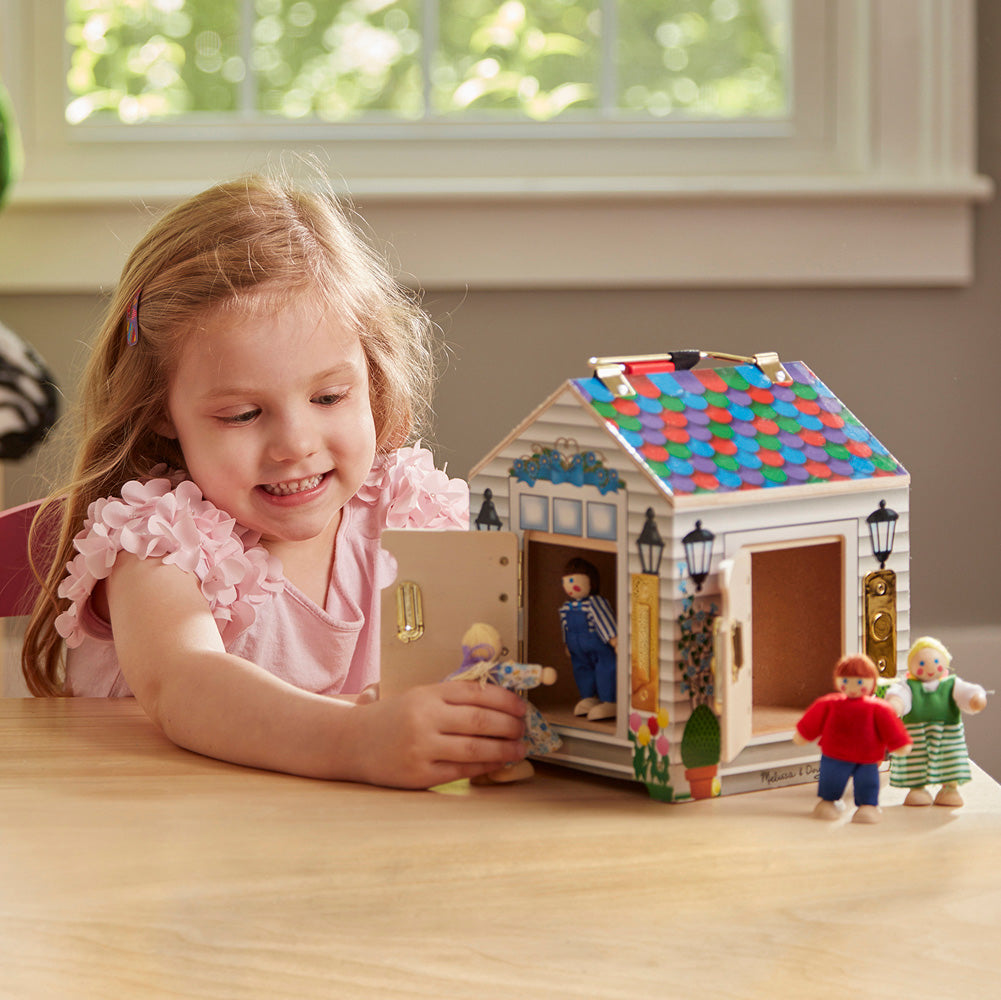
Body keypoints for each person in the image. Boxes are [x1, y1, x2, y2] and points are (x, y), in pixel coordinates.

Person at [20, 170, 527, 789]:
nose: (295, 445)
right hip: (173, 848)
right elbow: (186, 683)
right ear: (161, 409)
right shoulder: (160, 543)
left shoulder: (404, 512)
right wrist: (359, 740)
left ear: (371, 375)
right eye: (243, 414)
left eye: (330, 396)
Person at [793, 654, 912, 823]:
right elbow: (813, 719)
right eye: (846, 681)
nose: (853, 687)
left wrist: (899, 743)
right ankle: (828, 802)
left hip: (867, 756)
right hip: (835, 754)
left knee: (867, 782)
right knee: (831, 780)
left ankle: (868, 806)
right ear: (838, 681)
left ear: (872, 682)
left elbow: (890, 726)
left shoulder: (877, 708)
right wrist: (803, 734)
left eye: (860, 682)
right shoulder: (830, 703)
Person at [448, 622, 561, 783]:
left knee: (483, 743)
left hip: (477, 721)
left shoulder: (461, 675)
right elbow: (518, 673)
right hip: (500, 717)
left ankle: (482, 770)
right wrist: (541, 674)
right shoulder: (497, 671)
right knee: (508, 737)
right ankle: (508, 767)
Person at [885, 637, 988, 807]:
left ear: (944, 663)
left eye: (935, 661)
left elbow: (966, 692)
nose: (929, 668)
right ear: (912, 666)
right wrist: (895, 704)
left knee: (949, 759)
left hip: (947, 734)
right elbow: (899, 696)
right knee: (917, 761)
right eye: (922, 663)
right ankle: (917, 789)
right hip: (917, 735)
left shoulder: (952, 684)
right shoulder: (908, 686)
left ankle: (950, 789)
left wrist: (975, 699)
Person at [558, 556, 617, 721]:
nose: (569, 586)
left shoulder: (595, 603)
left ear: (590, 582)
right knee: (582, 671)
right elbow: (565, 627)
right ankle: (588, 697)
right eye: (566, 582)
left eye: (573, 581)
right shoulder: (567, 607)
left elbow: (604, 621)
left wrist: (613, 639)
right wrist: (567, 645)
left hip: (597, 645)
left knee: (605, 670)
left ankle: (609, 699)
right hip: (577, 648)